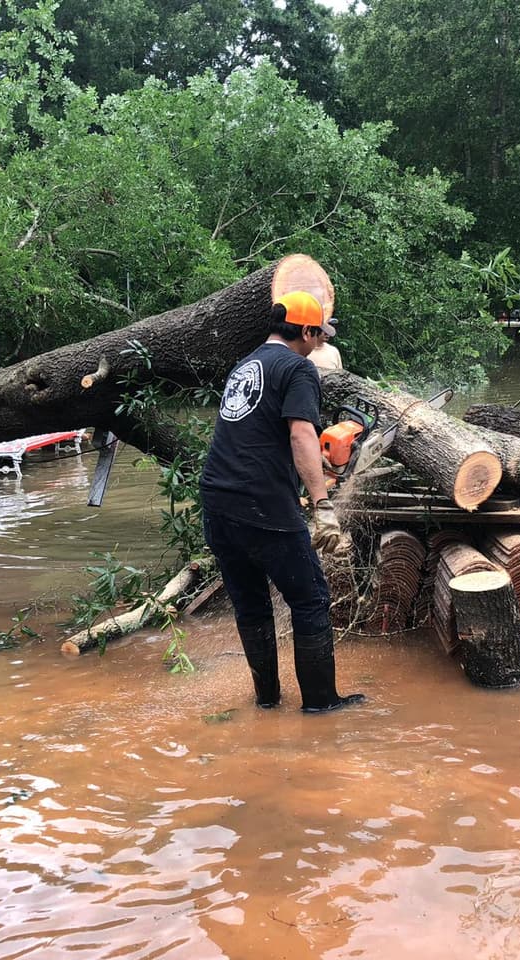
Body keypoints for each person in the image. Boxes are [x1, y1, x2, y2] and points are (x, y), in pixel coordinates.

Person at [199, 290, 365, 714]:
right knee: (310, 599)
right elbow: (300, 435)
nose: (319, 343)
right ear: (306, 331)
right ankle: (320, 704)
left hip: (218, 502)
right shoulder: (298, 367)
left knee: (251, 605)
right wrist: (322, 503)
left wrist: (309, 470)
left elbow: (258, 436)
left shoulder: (246, 364)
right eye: (318, 335)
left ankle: (267, 700)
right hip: (262, 505)